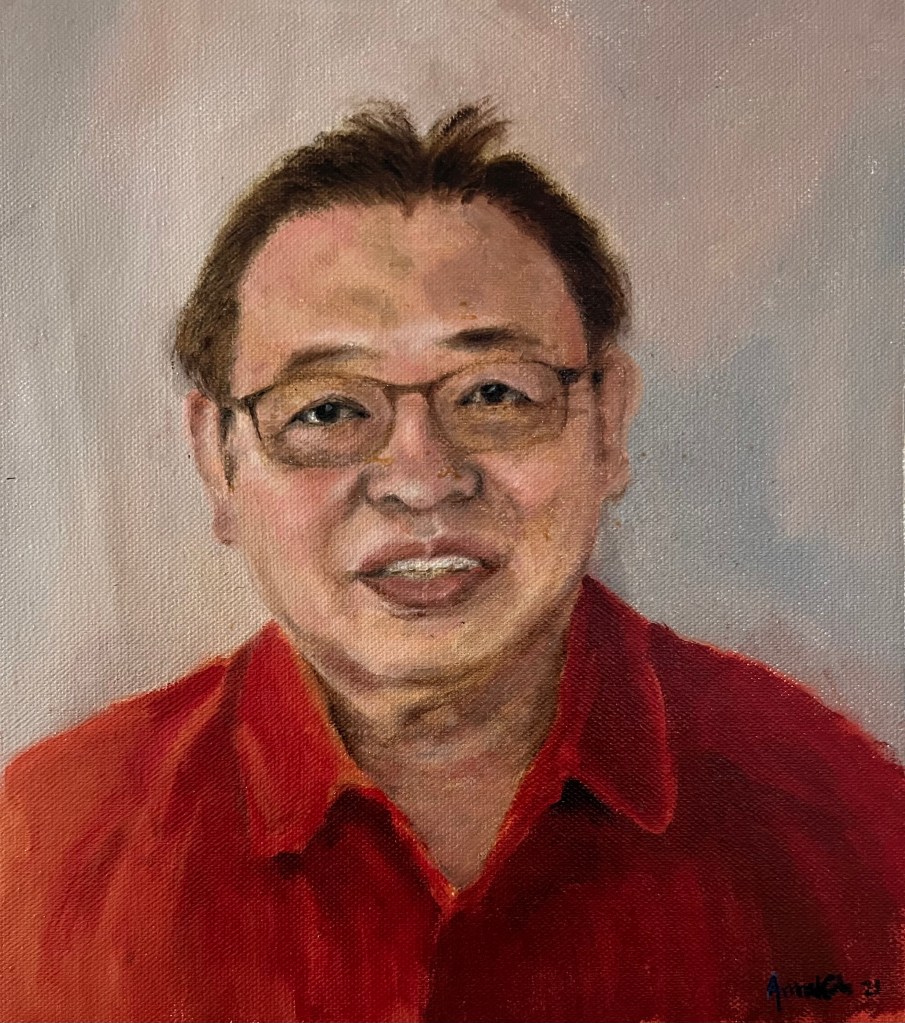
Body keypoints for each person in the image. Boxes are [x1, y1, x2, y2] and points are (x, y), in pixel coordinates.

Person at [0, 102, 902, 1023]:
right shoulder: (44, 856)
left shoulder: (844, 824)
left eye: (494, 394)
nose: (422, 480)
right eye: (326, 410)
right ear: (216, 459)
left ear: (608, 424)